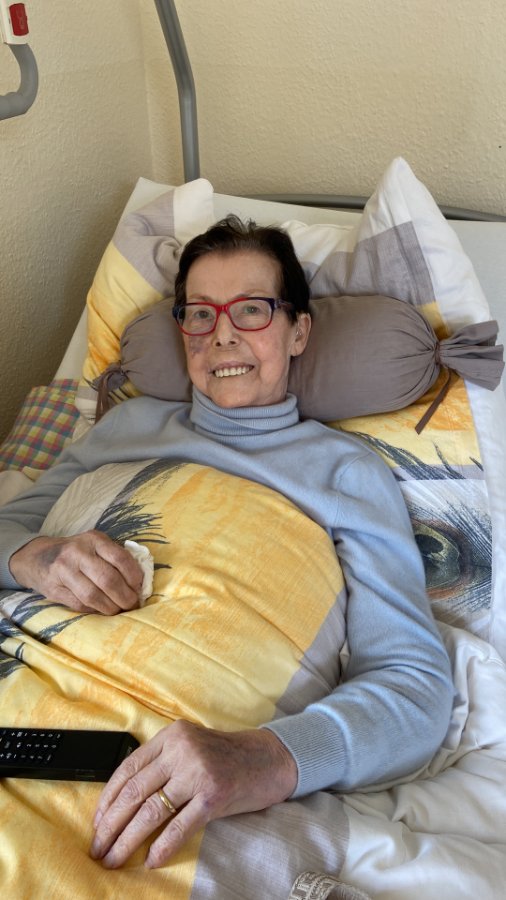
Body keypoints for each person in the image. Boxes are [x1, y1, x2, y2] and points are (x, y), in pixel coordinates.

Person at [0, 216, 454, 870]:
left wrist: (266, 757)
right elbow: (11, 529)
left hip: (150, 754)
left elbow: (412, 685)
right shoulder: (125, 426)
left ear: (299, 331)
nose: (222, 334)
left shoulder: (346, 473)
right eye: (200, 313)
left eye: (251, 309)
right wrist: (34, 557)